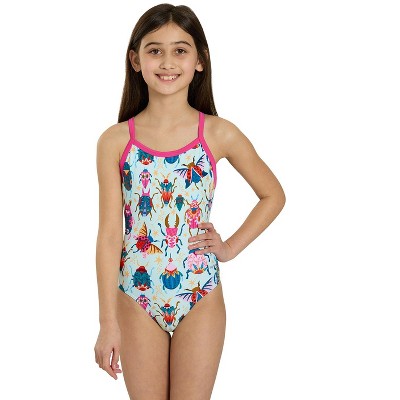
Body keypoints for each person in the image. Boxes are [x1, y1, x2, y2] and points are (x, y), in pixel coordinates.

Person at [94, 3, 286, 399]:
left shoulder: (218, 133)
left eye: (180, 50)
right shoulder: (115, 141)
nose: (167, 62)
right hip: (136, 294)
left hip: (200, 294)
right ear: (136, 60)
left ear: (200, 60)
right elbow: (110, 234)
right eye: (155, 50)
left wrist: (228, 248)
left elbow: (273, 195)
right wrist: (107, 322)